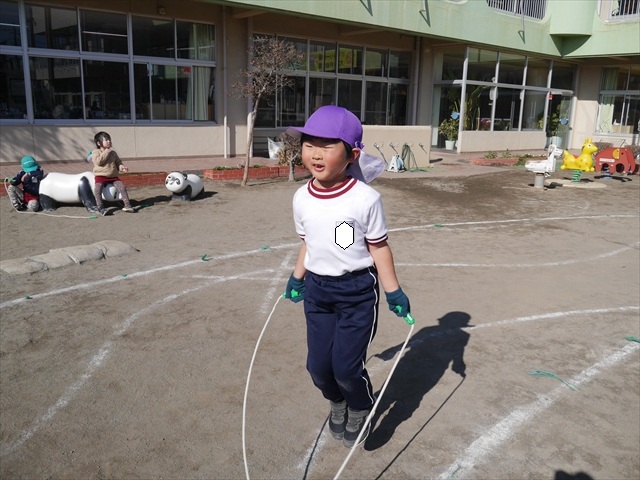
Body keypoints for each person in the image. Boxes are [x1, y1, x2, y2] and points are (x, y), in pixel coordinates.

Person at [283, 105, 411, 448]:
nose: (315, 154)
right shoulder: (301, 198)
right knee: (318, 368)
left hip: (356, 292)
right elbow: (308, 243)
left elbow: (379, 248)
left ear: (352, 154)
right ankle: (337, 401)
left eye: (327, 146)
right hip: (317, 291)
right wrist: (297, 278)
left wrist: (394, 291)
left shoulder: (365, 199)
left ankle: (360, 405)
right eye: (309, 144)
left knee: (346, 368)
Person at [90, 131, 134, 215]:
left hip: (113, 176)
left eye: (109, 139)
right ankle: (100, 207)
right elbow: (99, 162)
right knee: (97, 190)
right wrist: (106, 152)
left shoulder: (113, 153)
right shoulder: (96, 152)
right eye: (106, 140)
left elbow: (118, 162)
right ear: (99, 143)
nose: (109, 141)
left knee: (122, 187)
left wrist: (122, 168)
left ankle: (127, 205)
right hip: (101, 175)